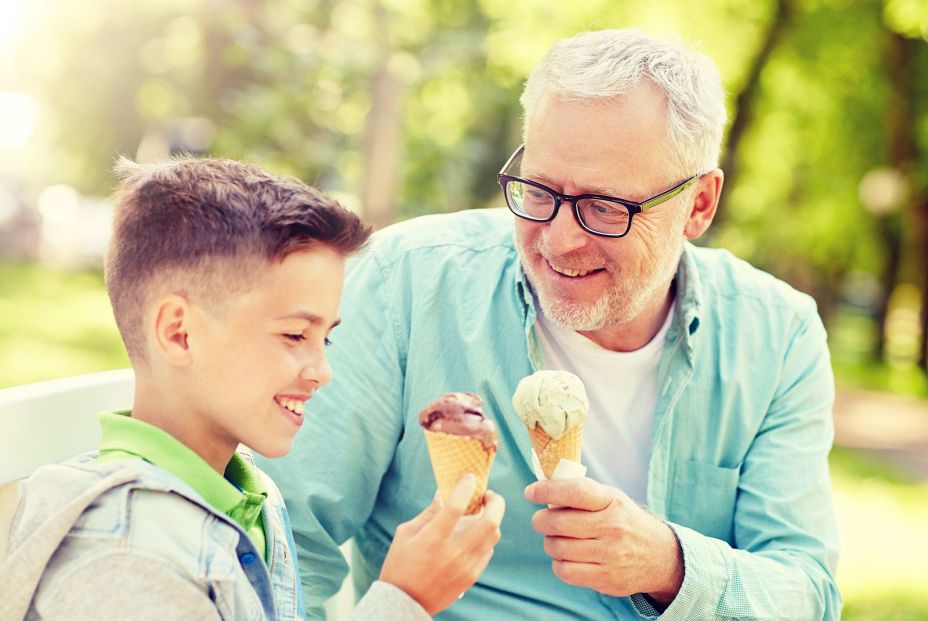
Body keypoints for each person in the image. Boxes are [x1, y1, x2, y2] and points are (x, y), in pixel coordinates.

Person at [259, 28, 841, 620]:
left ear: (699, 205)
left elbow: (807, 592)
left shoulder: (778, 334)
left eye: (605, 207)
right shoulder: (403, 283)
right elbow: (285, 548)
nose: (560, 242)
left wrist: (670, 565)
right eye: (538, 191)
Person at [0, 157, 504, 621]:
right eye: (294, 335)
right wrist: (405, 599)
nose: (323, 369)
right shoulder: (123, 557)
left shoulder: (247, 493)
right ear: (179, 332)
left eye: (325, 337)